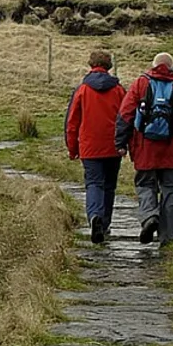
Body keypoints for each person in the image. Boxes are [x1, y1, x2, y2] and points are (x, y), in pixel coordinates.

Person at [115, 51, 173, 246]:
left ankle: (149, 217)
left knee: (145, 186)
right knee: (172, 193)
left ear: (153, 65)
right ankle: (169, 240)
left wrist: (120, 143)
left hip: (145, 150)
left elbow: (125, 115)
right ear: (172, 67)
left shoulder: (140, 84)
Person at [65, 50, 127, 244]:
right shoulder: (118, 90)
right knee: (109, 185)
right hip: (113, 145)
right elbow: (126, 117)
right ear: (109, 66)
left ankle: (94, 217)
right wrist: (126, 143)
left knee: (94, 183)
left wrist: (73, 148)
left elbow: (72, 122)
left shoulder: (82, 90)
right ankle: (105, 223)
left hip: (89, 146)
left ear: (91, 65)